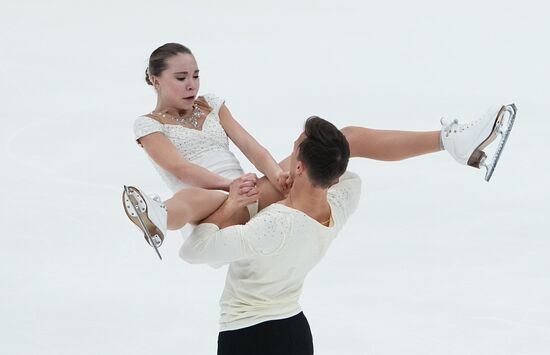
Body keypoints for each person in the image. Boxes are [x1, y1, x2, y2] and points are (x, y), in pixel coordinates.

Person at [125, 42, 516, 257]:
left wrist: (272, 175)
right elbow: (181, 168)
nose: (191, 83)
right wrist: (230, 189)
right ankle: (158, 218)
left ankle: (450, 142)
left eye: (195, 74)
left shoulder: (211, 103)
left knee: (342, 137)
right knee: (194, 194)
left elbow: (250, 144)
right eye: (181, 77)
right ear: (155, 81)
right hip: (213, 206)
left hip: (251, 189)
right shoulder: (148, 126)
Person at [182, 116, 358, 354]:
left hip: (248, 336)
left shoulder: (274, 225)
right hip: (296, 333)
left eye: (295, 148)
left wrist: (230, 204)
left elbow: (193, 251)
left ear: (299, 167)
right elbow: (343, 176)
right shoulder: (344, 200)